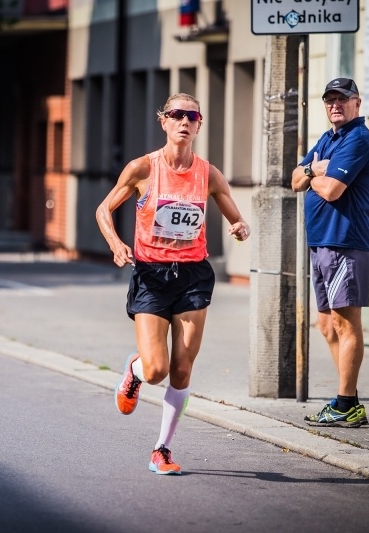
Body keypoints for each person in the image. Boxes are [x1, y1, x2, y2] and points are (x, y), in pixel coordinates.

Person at [96, 93, 250, 474]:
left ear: (199, 125)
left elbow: (232, 210)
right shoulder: (142, 168)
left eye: (191, 116)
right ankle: (134, 371)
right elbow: (103, 209)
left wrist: (239, 225)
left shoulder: (208, 173)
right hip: (151, 274)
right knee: (156, 371)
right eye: (176, 115)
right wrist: (116, 244)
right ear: (163, 121)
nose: (184, 122)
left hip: (193, 275)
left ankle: (162, 448)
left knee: (182, 369)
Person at [291, 78, 369, 428]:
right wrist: (315, 167)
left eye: (343, 99)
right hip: (322, 243)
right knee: (327, 325)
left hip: (346, 242)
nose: (335, 105)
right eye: (329, 100)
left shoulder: (357, 139)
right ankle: (349, 400)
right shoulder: (328, 139)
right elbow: (295, 179)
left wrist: (313, 170)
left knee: (346, 322)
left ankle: (345, 402)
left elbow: (330, 191)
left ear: (357, 103)